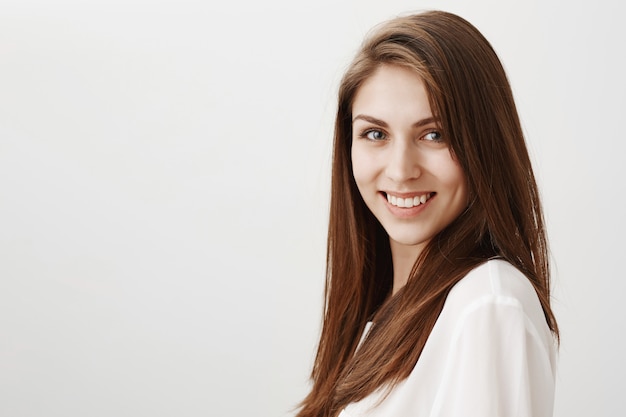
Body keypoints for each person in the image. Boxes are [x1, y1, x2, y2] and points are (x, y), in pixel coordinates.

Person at [296, 10, 559, 417]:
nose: (401, 170)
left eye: (434, 134)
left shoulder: (487, 304)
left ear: (482, 144)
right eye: (375, 134)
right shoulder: (385, 312)